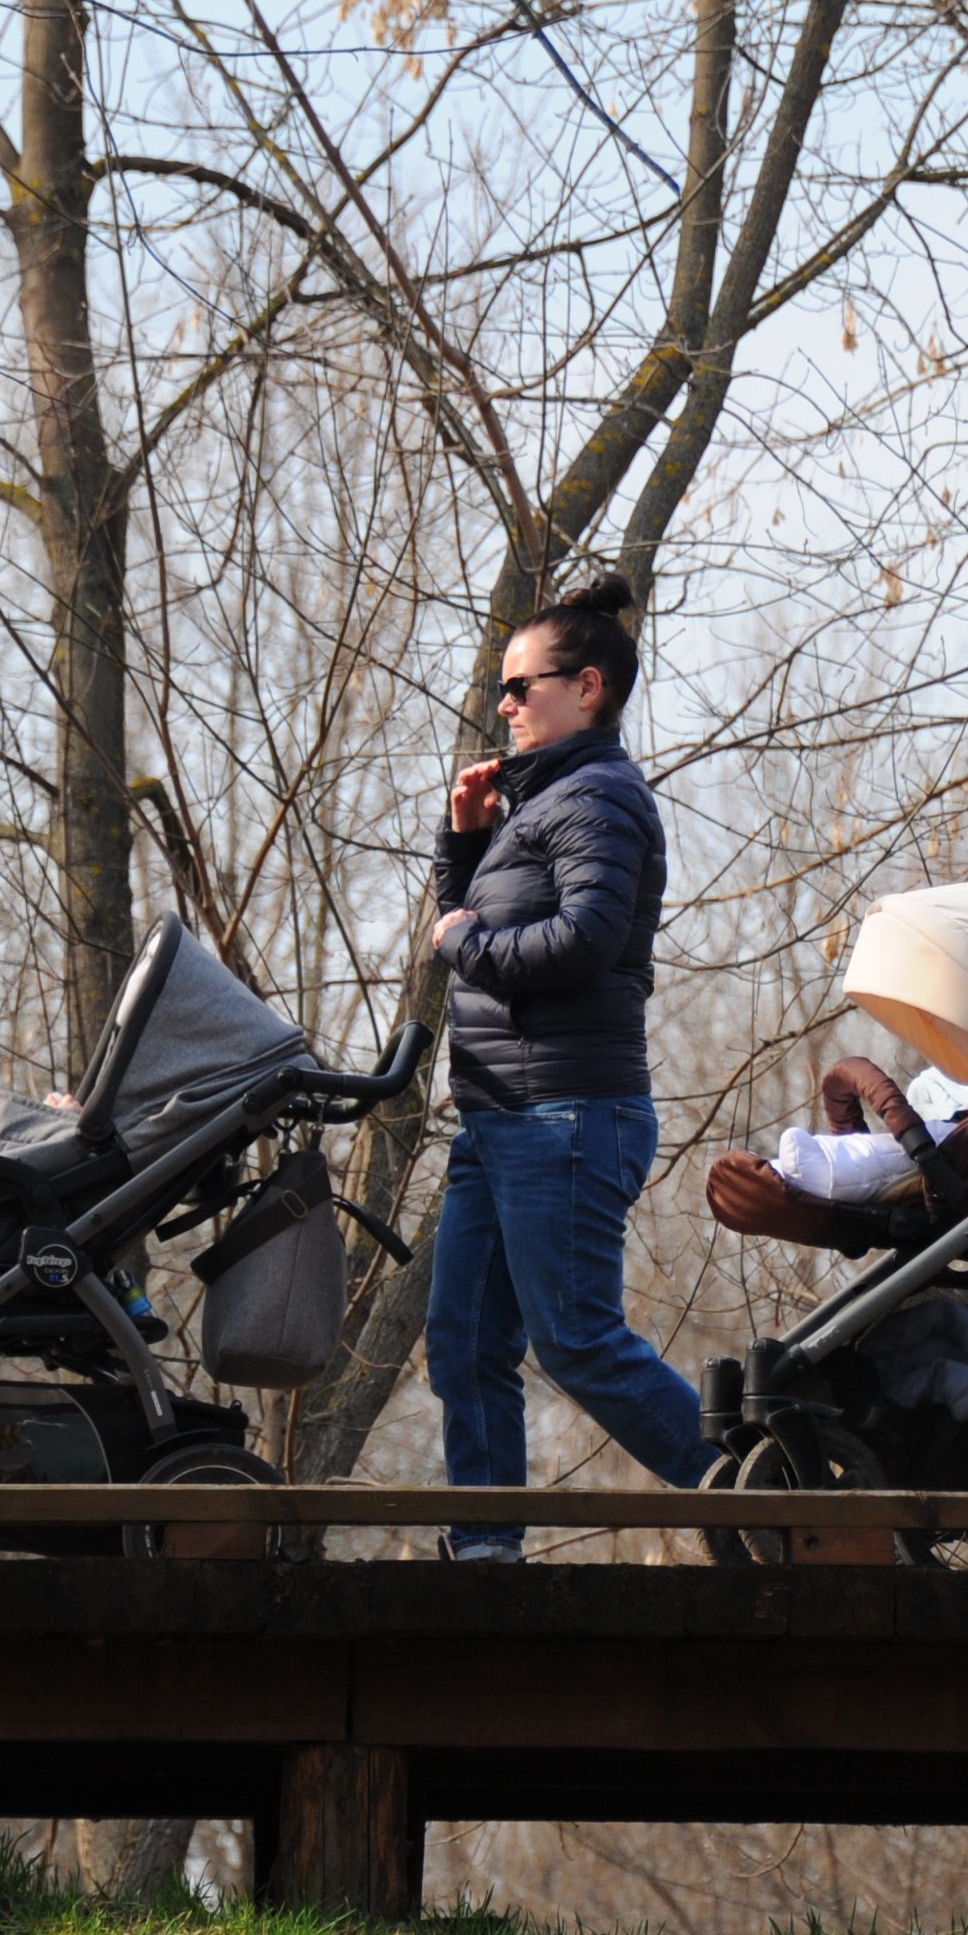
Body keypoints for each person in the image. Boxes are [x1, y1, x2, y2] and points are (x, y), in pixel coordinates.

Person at [421, 574, 710, 1557]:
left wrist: (462, 940)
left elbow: (581, 943)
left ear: (585, 688)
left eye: (519, 687)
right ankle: (484, 1550)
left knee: (577, 1342)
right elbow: (470, 922)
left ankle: (754, 1495)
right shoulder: (534, 808)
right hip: (500, 1120)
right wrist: (462, 845)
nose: (501, 706)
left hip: (566, 1118)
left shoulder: (600, 799)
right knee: (464, 1345)